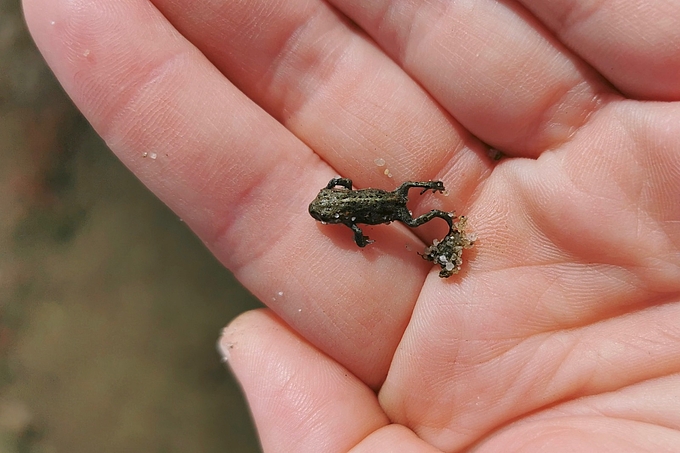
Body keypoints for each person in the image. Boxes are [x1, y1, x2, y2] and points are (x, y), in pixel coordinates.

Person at [23, 0, 680, 451]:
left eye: (329, 216)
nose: (327, 216)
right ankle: (439, 223)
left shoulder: (348, 216)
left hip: (386, 205)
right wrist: (356, 220)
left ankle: (442, 226)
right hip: (384, 202)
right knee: (411, 204)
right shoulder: (340, 208)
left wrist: (361, 229)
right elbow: (334, 196)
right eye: (332, 218)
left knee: (414, 206)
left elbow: (339, 200)